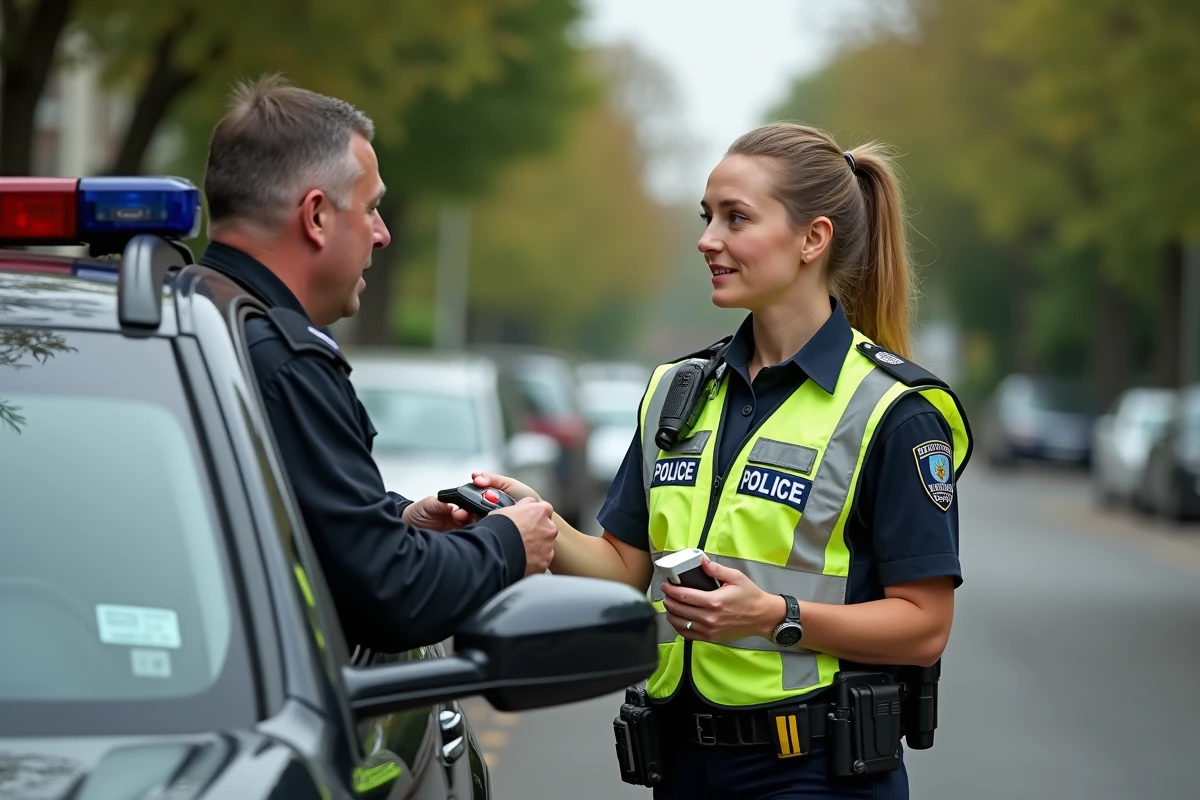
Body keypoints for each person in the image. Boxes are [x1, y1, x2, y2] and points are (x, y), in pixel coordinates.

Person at [474, 122, 971, 799]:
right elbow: (624, 569)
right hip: (680, 768)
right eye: (707, 217)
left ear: (812, 239)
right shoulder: (675, 391)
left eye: (736, 218)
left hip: (814, 774)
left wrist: (773, 616)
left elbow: (924, 626)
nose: (708, 239)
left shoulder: (894, 411)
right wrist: (533, 518)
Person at [197, 74, 558, 654]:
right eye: (371, 209)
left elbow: (295, 527)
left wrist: (399, 520)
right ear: (316, 217)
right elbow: (391, 595)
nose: (383, 235)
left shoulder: (183, 319)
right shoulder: (282, 363)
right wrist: (508, 545)